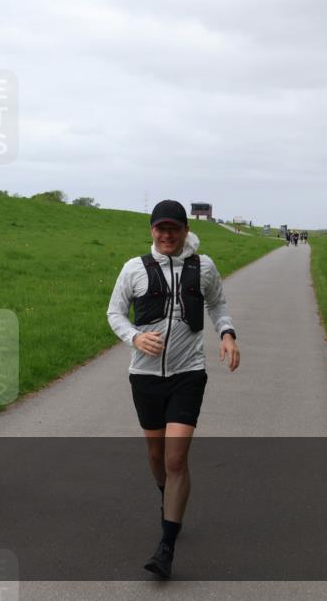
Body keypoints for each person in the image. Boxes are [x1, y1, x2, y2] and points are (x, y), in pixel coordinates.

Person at [106, 200, 240, 578]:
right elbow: (114, 313)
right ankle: (168, 499)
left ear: (184, 231)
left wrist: (227, 334)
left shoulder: (204, 267)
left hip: (188, 374)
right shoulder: (134, 269)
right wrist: (134, 337)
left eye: (173, 229)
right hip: (145, 377)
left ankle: (166, 545)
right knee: (156, 456)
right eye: (160, 229)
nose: (166, 235)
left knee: (175, 459)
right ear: (152, 230)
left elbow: (218, 305)